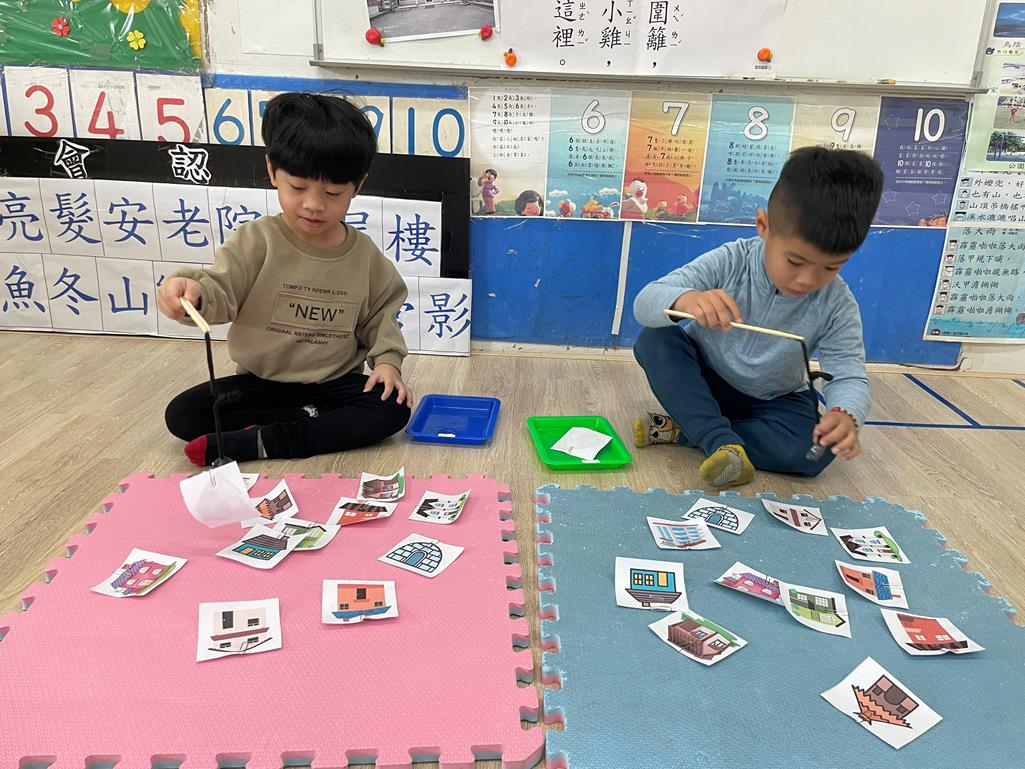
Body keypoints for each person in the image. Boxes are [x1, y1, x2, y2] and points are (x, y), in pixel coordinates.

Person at [156, 92, 412, 467]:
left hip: (334, 385)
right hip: (260, 386)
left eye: (333, 193)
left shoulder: (365, 257)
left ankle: (263, 441)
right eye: (298, 187)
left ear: (357, 186)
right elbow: (221, 289)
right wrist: (194, 293)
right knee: (183, 414)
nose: (314, 204)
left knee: (392, 407)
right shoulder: (255, 240)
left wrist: (388, 364)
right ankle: (299, 423)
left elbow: (381, 317)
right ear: (273, 171)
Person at [631, 146, 882, 487]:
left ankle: (690, 430)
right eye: (795, 261)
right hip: (705, 383)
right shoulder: (732, 260)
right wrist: (686, 300)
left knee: (816, 452)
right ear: (763, 225)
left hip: (774, 400)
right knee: (654, 337)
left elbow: (849, 374)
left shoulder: (837, 303)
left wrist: (845, 413)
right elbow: (645, 301)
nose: (807, 280)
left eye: (831, 267)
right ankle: (718, 439)